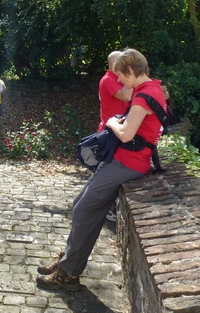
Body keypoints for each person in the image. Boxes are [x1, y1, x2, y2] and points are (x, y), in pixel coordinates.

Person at [36, 48, 166, 292]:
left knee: (85, 210)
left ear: (130, 70)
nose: (119, 81)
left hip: (128, 163)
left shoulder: (144, 96)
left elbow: (127, 134)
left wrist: (111, 122)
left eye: (121, 76)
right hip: (122, 161)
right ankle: (67, 261)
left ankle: (69, 274)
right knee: (79, 205)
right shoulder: (150, 90)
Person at [98, 51, 132, 222]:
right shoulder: (109, 79)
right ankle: (104, 208)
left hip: (118, 130)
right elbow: (126, 95)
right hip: (110, 132)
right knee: (107, 172)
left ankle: (106, 206)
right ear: (114, 63)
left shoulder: (118, 80)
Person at [98, 51, 132, 132]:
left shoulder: (120, 79)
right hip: (110, 129)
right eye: (123, 61)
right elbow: (125, 97)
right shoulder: (108, 79)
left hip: (121, 127)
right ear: (114, 63)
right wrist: (130, 74)